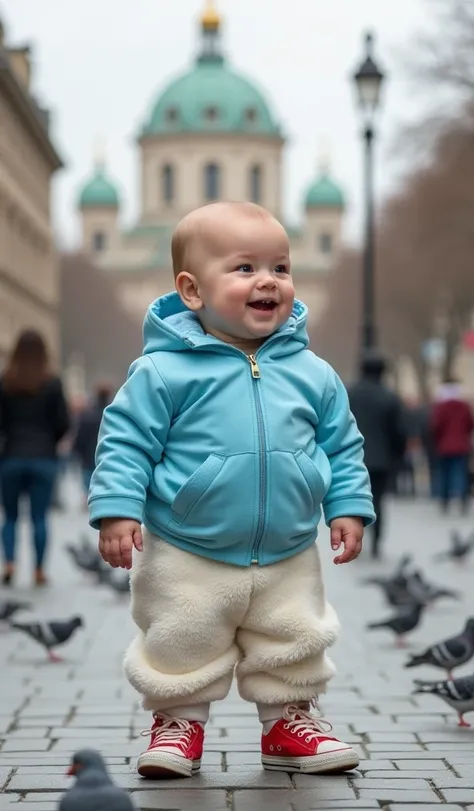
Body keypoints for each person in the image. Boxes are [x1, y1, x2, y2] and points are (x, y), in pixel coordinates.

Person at [89, 201, 375, 780]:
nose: (268, 280)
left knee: (294, 635)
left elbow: (343, 445)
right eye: (244, 268)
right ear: (192, 291)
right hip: (187, 542)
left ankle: (290, 720)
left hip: (287, 544)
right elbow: (124, 442)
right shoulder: (162, 371)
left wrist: (347, 506)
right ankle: (177, 721)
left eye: (280, 267)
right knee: (181, 634)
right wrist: (117, 509)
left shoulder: (314, 372)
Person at [0, 330, 70, 586]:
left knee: (10, 517)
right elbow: (63, 422)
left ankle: (9, 563)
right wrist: (49, 441)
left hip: (10, 457)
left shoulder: (6, 381)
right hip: (43, 458)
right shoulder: (52, 383)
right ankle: (39, 570)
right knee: (40, 517)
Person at [347, 351, 406, 559]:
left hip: (352, 457)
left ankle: (354, 540)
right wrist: (397, 457)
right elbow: (399, 432)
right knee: (378, 501)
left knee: (353, 500)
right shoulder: (390, 397)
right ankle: (376, 543)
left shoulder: (349, 393)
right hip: (381, 460)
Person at [430, 379, 474, 514]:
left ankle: (445, 501)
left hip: (444, 446)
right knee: (460, 473)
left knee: (445, 474)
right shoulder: (464, 406)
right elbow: (470, 424)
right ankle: (462, 500)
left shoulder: (441, 407)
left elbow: (435, 426)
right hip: (461, 446)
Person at [72, 382, 114, 500]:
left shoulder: (88, 414)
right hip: (108, 454)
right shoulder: (114, 414)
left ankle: (91, 497)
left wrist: (77, 450)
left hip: (88, 455)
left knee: (89, 480)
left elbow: (80, 436)